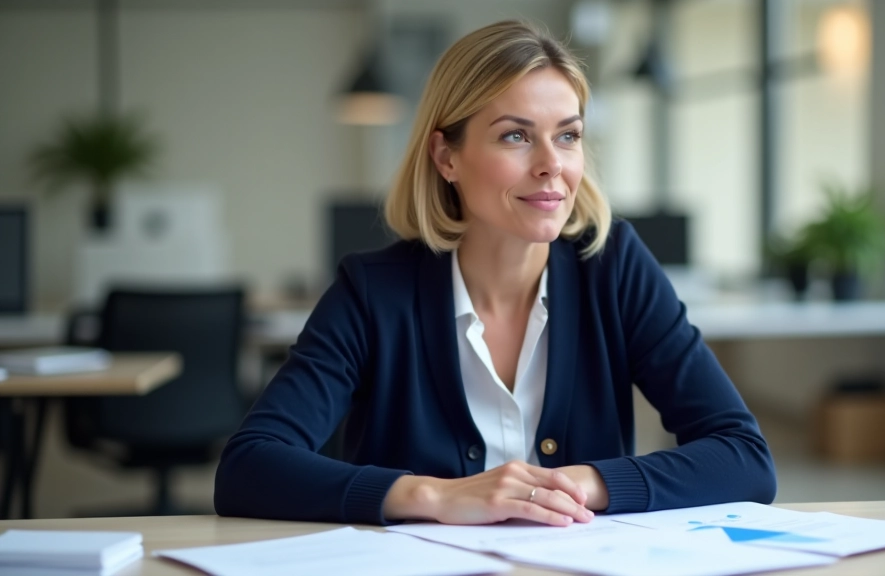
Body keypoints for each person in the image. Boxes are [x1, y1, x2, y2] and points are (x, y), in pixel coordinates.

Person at [214, 19, 775, 527]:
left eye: (568, 135)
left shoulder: (614, 267)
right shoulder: (372, 292)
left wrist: (577, 484)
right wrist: (434, 496)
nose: (552, 163)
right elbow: (249, 466)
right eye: (515, 135)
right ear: (446, 157)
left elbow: (744, 457)